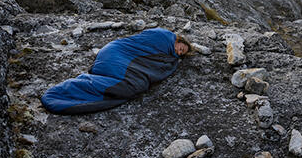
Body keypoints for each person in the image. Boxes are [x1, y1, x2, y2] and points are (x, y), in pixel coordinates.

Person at [41, 28, 194, 114]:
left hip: (115, 55)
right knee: (132, 85)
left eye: (181, 54)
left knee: (137, 85)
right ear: (178, 40)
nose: (178, 53)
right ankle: (74, 86)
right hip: (116, 54)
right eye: (180, 49)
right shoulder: (164, 37)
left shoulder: (168, 45)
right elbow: (148, 52)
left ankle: (89, 83)